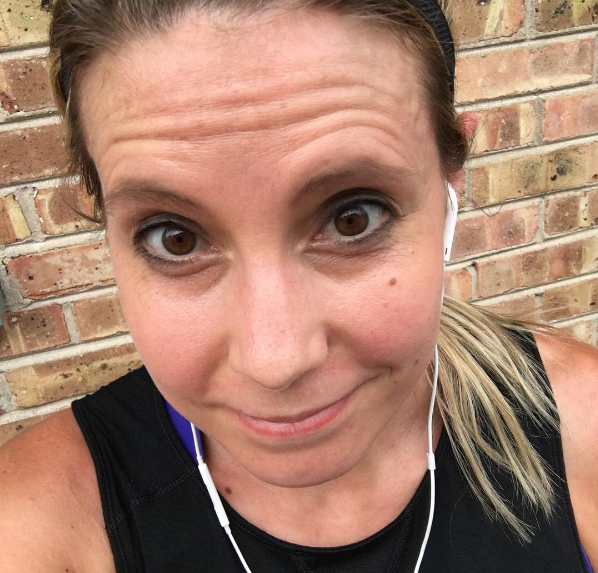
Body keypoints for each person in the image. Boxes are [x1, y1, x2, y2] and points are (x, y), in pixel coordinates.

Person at [1, 0, 597, 571]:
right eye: (175, 238)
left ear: (449, 189)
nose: (275, 362)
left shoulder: (583, 422)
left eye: (352, 218)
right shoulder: (33, 527)